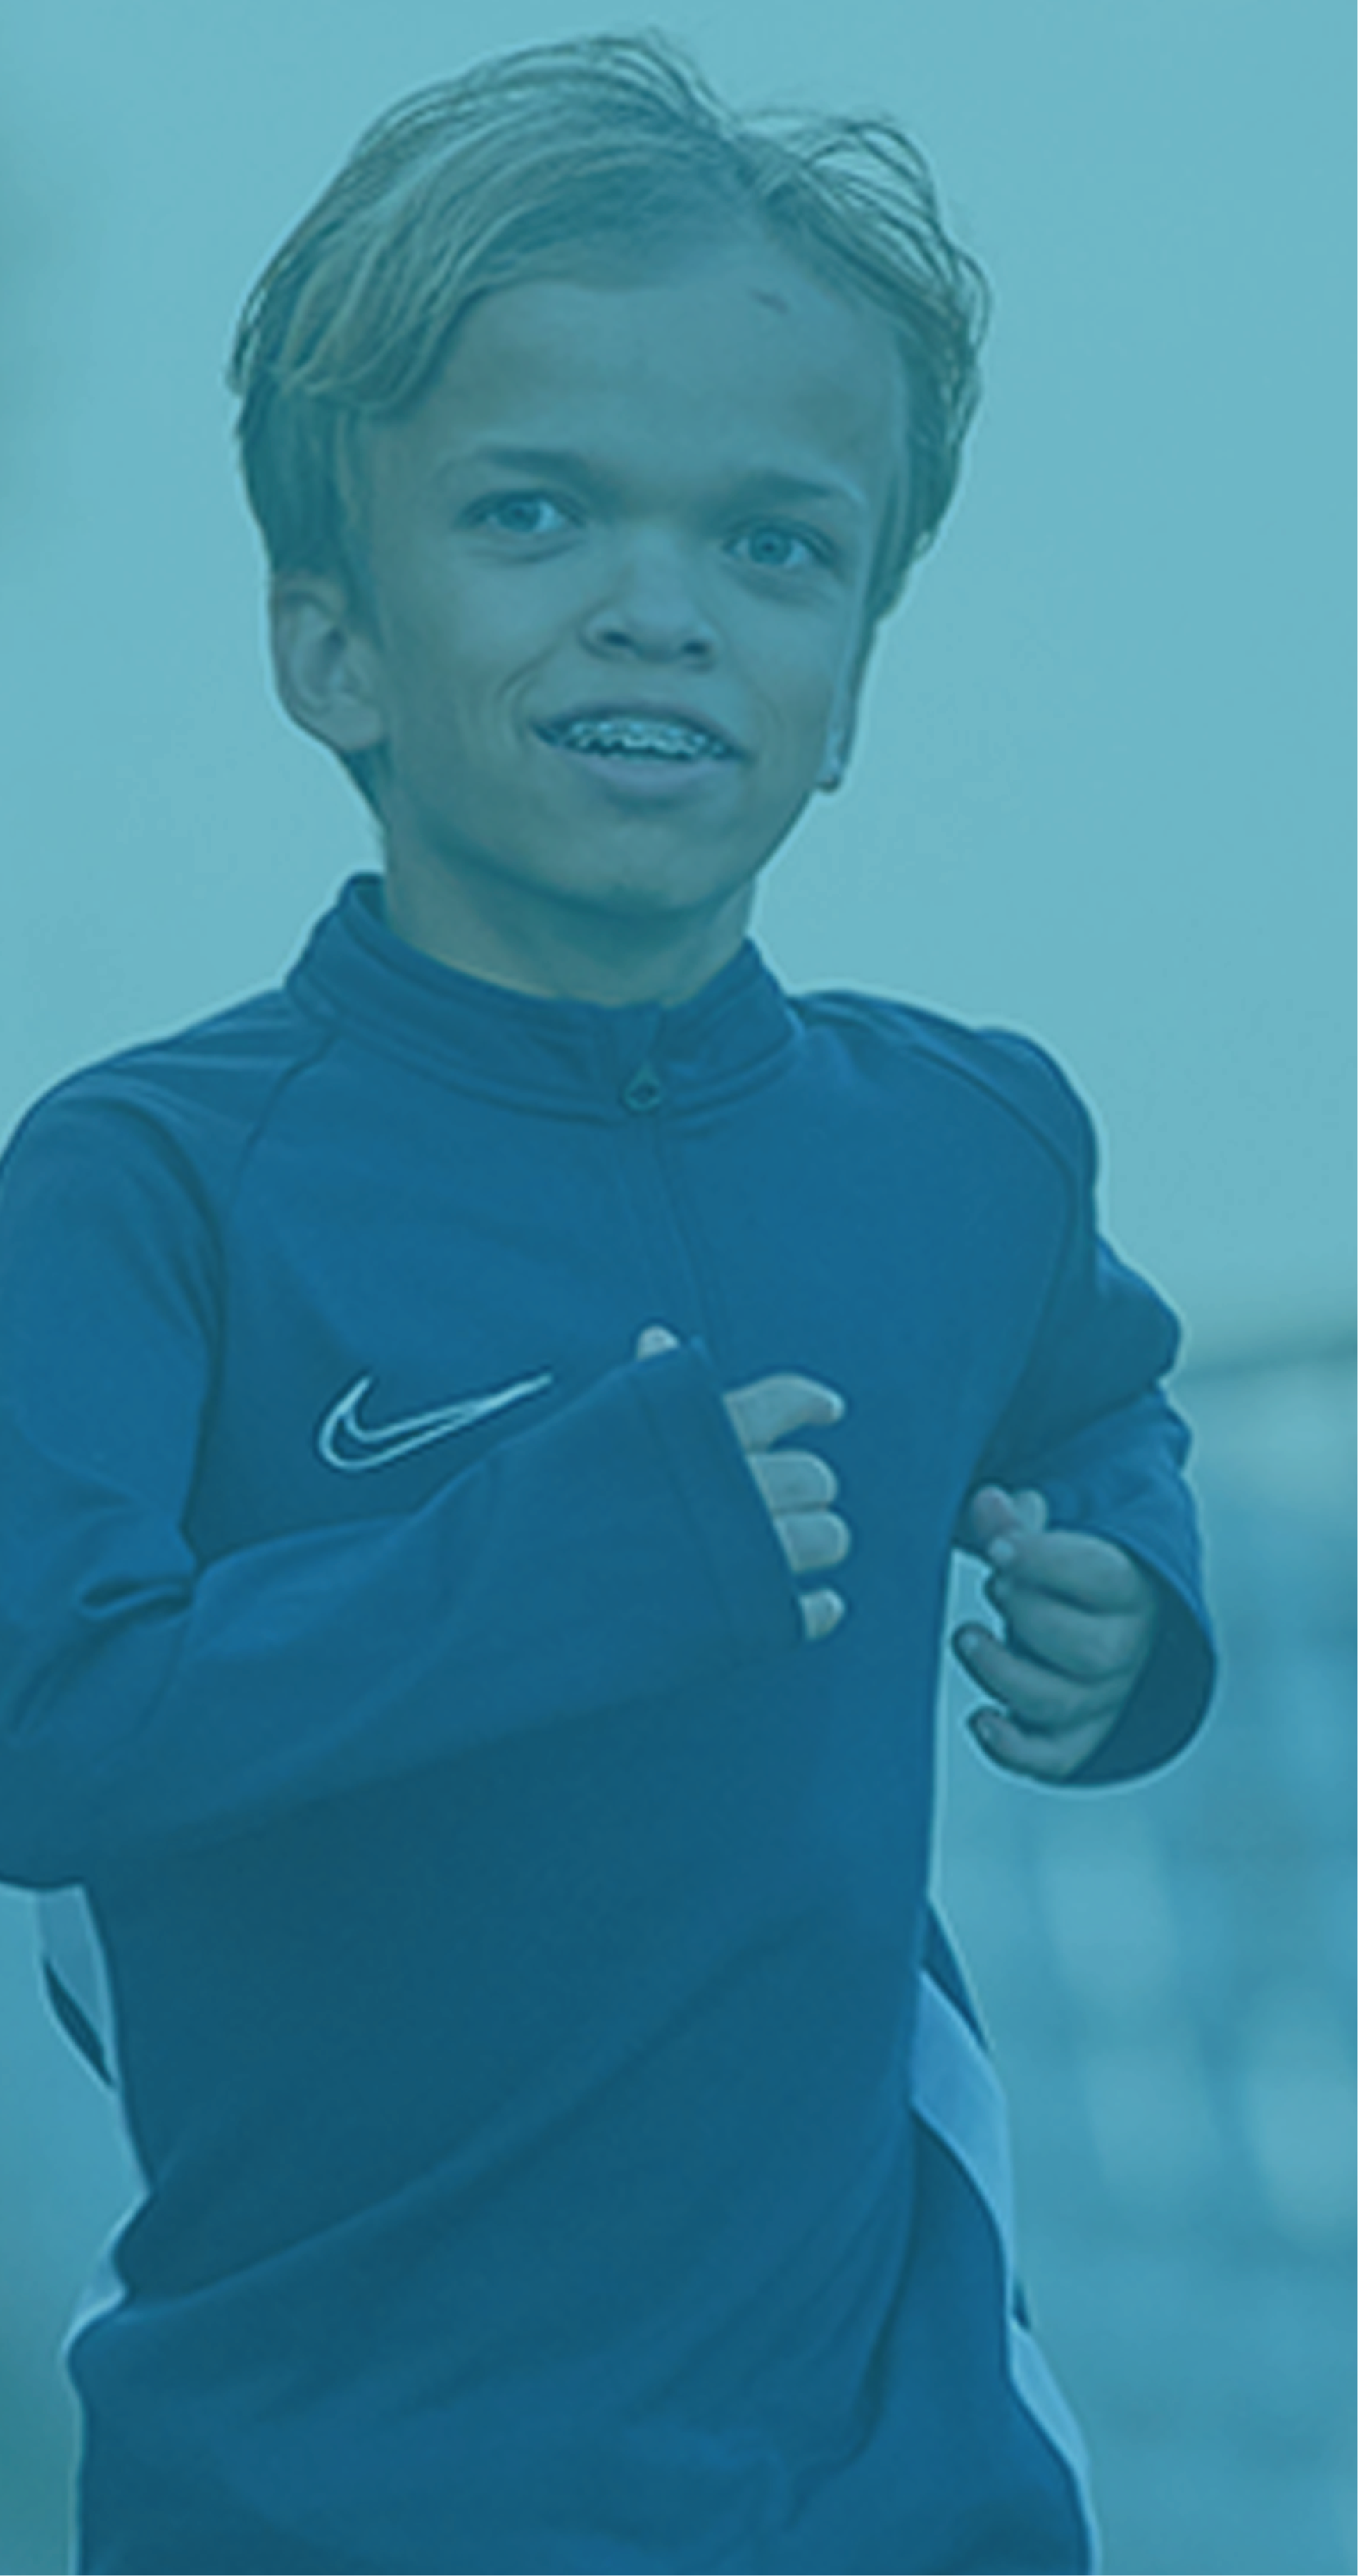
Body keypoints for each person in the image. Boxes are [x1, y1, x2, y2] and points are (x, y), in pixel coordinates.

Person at [0, 31, 1214, 2575]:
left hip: (907, 2482)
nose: (660, 599)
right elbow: (40, 1727)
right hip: (322, 2486)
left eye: (778, 544)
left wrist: (1138, 1604)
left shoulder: (965, 1145)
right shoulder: (153, 1183)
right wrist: (533, 1565)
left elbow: (1106, 1394)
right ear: (332, 648)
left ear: (856, 678)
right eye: (536, 511)